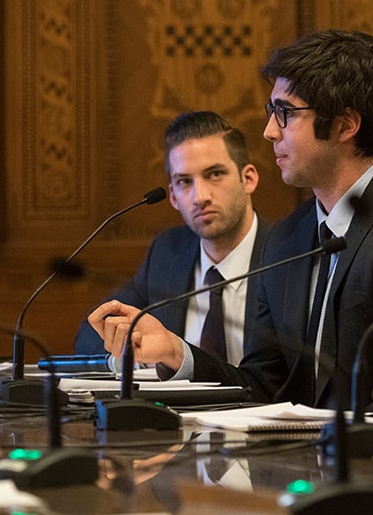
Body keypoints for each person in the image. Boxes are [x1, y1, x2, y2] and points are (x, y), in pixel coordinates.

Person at [89, 30, 373, 431]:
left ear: (345, 126)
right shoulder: (290, 237)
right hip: (314, 472)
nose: (269, 131)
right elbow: (264, 389)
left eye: (285, 113)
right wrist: (177, 352)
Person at [75, 111, 271, 365]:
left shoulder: (287, 251)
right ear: (173, 197)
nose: (200, 196)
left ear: (248, 179)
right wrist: (134, 354)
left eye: (215, 174)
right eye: (184, 181)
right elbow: (91, 333)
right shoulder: (167, 252)